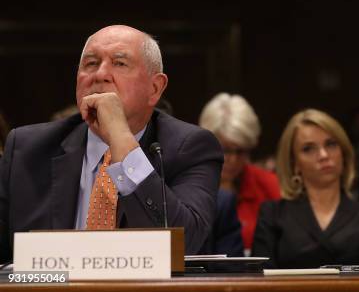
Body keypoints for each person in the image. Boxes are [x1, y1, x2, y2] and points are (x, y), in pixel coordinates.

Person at [0, 25, 223, 262]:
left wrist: (120, 136)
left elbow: (183, 244)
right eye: (91, 64)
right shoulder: (27, 148)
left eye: (119, 63)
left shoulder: (191, 148)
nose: (100, 74)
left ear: (155, 88)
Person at [252, 109, 359, 268]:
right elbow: (259, 282)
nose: (323, 155)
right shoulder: (273, 214)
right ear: (294, 163)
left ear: (343, 153)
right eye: (308, 148)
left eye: (331, 144)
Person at [199, 93, 280, 252]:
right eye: (225, 149)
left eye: (241, 151)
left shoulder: (269, 185)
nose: (233, 160)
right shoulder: (186, 183)